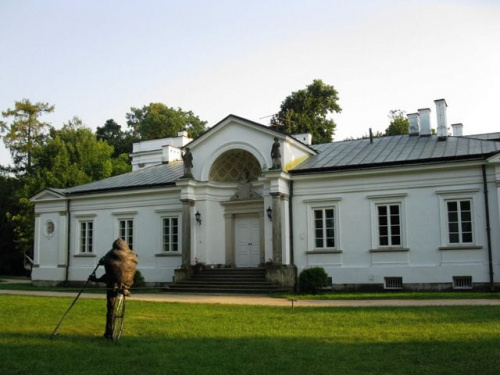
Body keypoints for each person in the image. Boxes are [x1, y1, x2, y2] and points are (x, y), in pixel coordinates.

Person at [89, 238, 138, 339]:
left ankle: (109, 332)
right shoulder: (132, 256)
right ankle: (125, 287)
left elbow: (107, 263)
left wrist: (102, 262)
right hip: (127, 283)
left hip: (113, 284)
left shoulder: (112, 254)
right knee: (115, 274)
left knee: (110, 308)